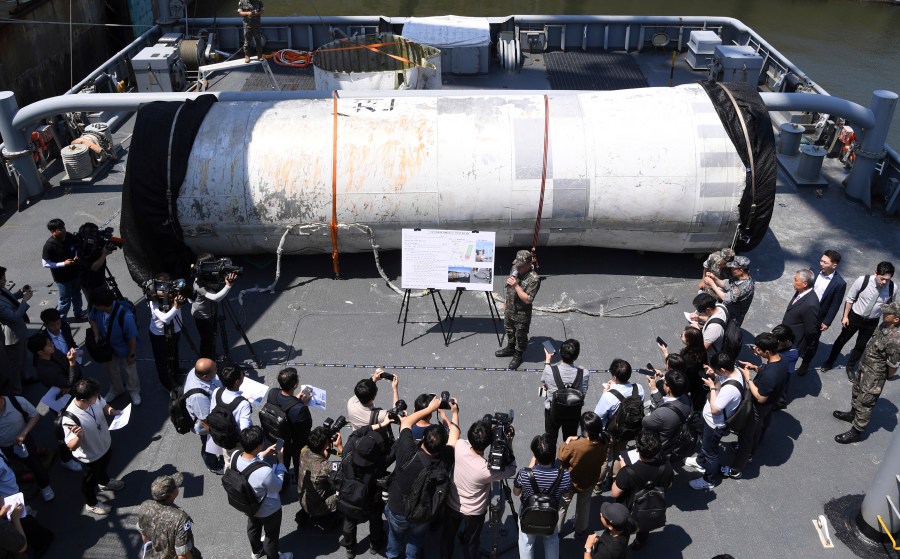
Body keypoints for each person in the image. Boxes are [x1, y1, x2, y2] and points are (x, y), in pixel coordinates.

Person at [385, 395, 458, 559]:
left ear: (423, 438)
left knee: (395, 537)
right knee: (416, 539)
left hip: (398, 507)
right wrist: (454, 413)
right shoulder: (445, 459)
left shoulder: (407, 451)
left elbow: (406, 422)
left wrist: (429, 409)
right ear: (442, 446)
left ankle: (393, 555)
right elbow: (454, 435)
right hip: (423, 510)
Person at [442, 415, 513, 559]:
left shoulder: (460, 446)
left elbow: (462, 438)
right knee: (472, 542)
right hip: (474, 512)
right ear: (488, 443)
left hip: (452, 503)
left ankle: (445, 556)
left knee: (448, 536)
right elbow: (511, 469)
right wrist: (508, 443)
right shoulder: (485, 470)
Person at [833, 300, 900, 444]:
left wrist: (887, 376)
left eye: (887, 313)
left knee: (866, 403)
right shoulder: (884, 325)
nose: (884, 313)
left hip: (875, 375)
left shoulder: (896, 339)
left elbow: (893, 364)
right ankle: (852, 414)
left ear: (896, 318)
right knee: (857, 390)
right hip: (865, 367)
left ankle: (856, 431)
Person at [724, 333, 789, 479]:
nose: (755, 350)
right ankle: (749, 453)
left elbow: (760, 397)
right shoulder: (781, 360)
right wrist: (755, 368)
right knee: (756, 429)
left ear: (767, 351)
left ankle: (736, 469)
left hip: (757, 408)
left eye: (758, 349)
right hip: (768, 407)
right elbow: (768, 374)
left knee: (746, 437)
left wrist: (748, 379)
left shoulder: (771, 374)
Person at [61, 378, 125, 515]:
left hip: (104, 446)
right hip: (90, 456)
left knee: (104, 467)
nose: (98, 398)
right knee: (89, 482)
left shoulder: (94, 398)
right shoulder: (69, 418)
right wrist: (79, 437)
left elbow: (104, 406)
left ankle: (105, 482)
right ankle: (91, 503)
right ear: (83, 400)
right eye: (95, 397)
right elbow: (70, 446)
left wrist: (112, 411)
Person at [823, 261, 896, 379]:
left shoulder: (893, 288)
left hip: (872, 321)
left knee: (861, 345)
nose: (884, 282)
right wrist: (845, 316)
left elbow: (888, 307)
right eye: (882, 278)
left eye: (887, 279)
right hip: (855, 317)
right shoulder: (863, 281)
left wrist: (886, 326)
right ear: (876, 273)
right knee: (842, 339)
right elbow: (850, 299)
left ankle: (850, 367)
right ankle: (830, 361)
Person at [339, 413, 395, 559]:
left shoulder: (348, 452)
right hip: (371, 498)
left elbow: (357, 432)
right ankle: (375, 545)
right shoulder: (378, 464)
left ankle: (350, 549)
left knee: (350, 520)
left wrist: (378, 425)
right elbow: (395, 450)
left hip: (350, 495)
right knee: (375, 519)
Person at [232, 426, 292, 559]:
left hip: (248, 504)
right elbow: (277, 486)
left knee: (253, 526)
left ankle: (256, 551)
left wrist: (264, 453)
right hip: (268, 509)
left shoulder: (235, 457)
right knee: (271, 536)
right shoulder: (264, 472)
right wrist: (281, 462)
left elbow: (248, 460)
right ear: (259, 445)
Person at [685, 353, 743, 490]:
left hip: (715, 424)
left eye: (716, 369)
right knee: (706, 445)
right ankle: (700, 461)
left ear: (723, 369)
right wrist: (715, 377)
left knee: (711, 453)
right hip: (710, 421)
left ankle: (709, 480)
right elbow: (721, 383)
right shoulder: (735, 371)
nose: (714, 371)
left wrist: (711, 386)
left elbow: (715, 409)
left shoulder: (730, 389)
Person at [612, 430, 674, 551]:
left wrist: (622, 471)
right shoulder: (666, 466)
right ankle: (639, 542)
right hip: (651, 506)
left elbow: (615, 492)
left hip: (629, 508)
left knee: (624, 529)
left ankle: (622, 546)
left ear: (637, 449)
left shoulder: (627, 472)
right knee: (644, 526)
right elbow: (669, 485)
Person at [514, 434, 572, 559]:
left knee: (526, 542)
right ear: (553, 455)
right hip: (550, 515)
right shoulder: (565, 475)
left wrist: (529, 467)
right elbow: (567, 494)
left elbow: (516, 492)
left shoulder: (524, 473)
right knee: (551, 540)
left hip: (528, 514)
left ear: (535, 455)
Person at [594, 359, 645, 490]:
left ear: (614, 377)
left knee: (604, 458)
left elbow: (598, 415)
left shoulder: (609, 396)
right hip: (628, 430)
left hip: (610, 432)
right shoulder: (638, 388)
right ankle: (614, 480)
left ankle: (598, 485)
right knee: (619, 454)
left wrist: (606, 392)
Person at [556, 412, 607, 539]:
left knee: (562, 505)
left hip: (570, 482)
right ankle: (580, 529)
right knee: (584, 505)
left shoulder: (575, 445)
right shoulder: (604, 441)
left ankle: (557, 530)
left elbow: (561, 457)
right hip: (589, 480)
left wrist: (567, 442)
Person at [797, 250, 846, 375]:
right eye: (821, 260)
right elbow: (803, 287)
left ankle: (805, 363)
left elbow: (835, 304)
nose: (821, 264)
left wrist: (827, 321)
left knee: (812, 342)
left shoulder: (839, 283)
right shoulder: (813, 270)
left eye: (825, 262)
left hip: (818, 317)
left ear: (834, 265)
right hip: (802, 309)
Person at [89, 289, 141, 406]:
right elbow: (92, 320)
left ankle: (134, 391)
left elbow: (132, 337)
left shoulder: (126, 316)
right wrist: (97, 335)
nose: (93, 306)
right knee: (111, 369)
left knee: (130, 370)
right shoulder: (96, 310)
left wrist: (131, 354)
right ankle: (116, 389)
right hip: (108, 347)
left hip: (124, 347)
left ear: (101, 305)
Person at [0, 394, 54, 501]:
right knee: (11, 473)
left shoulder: (17, 401)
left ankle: (45, 487)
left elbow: (35, 415)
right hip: (4, 449)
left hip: (24, 443)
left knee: (35, 465)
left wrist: (24, 433)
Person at [495, 250, 541, 370]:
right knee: (509, 330)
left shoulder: (534, 279)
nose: (517, 267)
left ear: (528, 264)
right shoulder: (515, 269)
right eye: (517, 264)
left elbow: (528, 300)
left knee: (520, 335)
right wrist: (506, 301)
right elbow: (509, 289)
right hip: (510, 309)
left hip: (522, 313)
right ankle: (510, 348)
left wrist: (516, 285)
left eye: (521, 266)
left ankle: (518, 355)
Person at [267, 367, 313, 486]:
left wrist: (294, 400)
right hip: (294, 442)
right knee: (298, 463)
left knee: (282, 461)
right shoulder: (300, 409)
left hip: (278, 438)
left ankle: (282, 483)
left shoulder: (272, 393)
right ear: (295, 385)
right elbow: (307, 426)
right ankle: (300, 481)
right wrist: (303, 405)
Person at [138, 473, 199, 559]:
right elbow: (183, 555)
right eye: (175, 487)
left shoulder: (145, 506)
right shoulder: (180, 518)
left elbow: (145, 536)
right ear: (171, 496)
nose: (177, 487)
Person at [541, 338, 590, 443]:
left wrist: (548, 360)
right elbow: (583, 393)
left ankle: (550, 457)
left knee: (550, 439)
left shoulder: (549, 370)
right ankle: (566, 457)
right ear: (576, 356)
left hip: (553, 411)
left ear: (559, 352)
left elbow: (543, 380)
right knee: (569, 440)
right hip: (573, 412)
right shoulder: (584, 373)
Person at [191, 253, 237, 359]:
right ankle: (205, 358)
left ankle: (212, 354)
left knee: (213, 335)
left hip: (211, 311)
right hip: (202, 316)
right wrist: (228, 286)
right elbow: (216, 298)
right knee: (207, 339)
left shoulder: (207, 277)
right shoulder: (199, 283)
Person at [183, 358, 224, 474]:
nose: (217, 370)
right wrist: (215, 434)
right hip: (205, 424)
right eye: (215, 370)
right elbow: (205, 420)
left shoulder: (196, 372)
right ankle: (213, 465)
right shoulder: (198, 397)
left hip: (211, 411)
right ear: (205, 377)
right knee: (209, 445)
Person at [298, 426, 343, 530]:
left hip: (303, 500)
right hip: (317, 508)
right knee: (344, 490)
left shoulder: (304, 451)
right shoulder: (325, 467)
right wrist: (340, 447)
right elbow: (347, 466)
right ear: (325, 447)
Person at [148, 273, 187, 391]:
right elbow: (165, 318)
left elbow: (191, 298)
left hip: (175, 330)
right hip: (158, 334)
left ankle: (175, 372)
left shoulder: (175, 294)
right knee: (162, 359)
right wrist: (176, 306)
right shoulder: (153, 299)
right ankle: (165, 381)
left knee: (174, 352)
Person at [41, 219, 85, 321]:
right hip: (62, 279)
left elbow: (77, 247)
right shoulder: (49, 246)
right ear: (53, 231)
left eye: (63, 227)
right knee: (65, 299)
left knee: (77, 295)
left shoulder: (69, 236)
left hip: (75, 273)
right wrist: (63, 264)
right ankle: (61, 319)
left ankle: (78, 313)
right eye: (60, 229)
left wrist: (76, 255)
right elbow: (45, 263)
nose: (63, 230)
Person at [642, 369, 692, 454]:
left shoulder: (661, 413)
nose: (663, 382)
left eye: (664, 382)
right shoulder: (686, 398)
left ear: (668, 389)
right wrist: (661, 379)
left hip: (662, 441)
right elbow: (667, 405)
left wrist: (654, 389)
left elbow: (645, 422)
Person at [0, 266, 33, 395]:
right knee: (15, 365)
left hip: (20, 331)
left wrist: (20, 292)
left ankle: (25, 377)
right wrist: (25, 300)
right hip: (13, 337)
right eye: (2, 279)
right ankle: (17, 392)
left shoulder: (1, 289)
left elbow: (10, 298)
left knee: (23, 357)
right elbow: (14, 317)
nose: (5, 281)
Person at [659, 326, 708, 412]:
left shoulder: (687, 358)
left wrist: (666, 354)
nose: (680, 336)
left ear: (689, 341)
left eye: (682, 335)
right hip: (696, 379)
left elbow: (676, 369)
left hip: (689, 383)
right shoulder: (700, 348)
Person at [210, 365, 252, 460]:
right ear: (237, 382)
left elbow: (211, 410)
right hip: (235, 440)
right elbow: (244, 429)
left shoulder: (217, 391)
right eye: (242, 375)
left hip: (221, 435)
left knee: (228, 461)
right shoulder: (243, 404)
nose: (243, 376)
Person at [701, 255, 755, 326]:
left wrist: (712, 284)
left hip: (733, 318)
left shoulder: (745, 286)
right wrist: (714, 278)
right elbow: (724, 284)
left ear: (741, 270)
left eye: (733, 268)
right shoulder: (738, 278)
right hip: (727, 311)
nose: (731, 269)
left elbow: (725, 298)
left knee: (726, 333)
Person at [781, 269, 821, 358]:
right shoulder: (800, 291)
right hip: (785, 337)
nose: (793, 282)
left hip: (793, 343)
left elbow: (810, 330)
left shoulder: (811, 304)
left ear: (805, 284)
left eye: (796, 280)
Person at [691, 293, 727, 360]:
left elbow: (702, 347)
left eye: (700, 311)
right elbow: (712, 319)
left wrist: (696, 330)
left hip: (711, 355)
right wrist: (698, 318)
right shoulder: (720, 307)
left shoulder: (713, 328)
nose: (700, 313)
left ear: (708, 310)